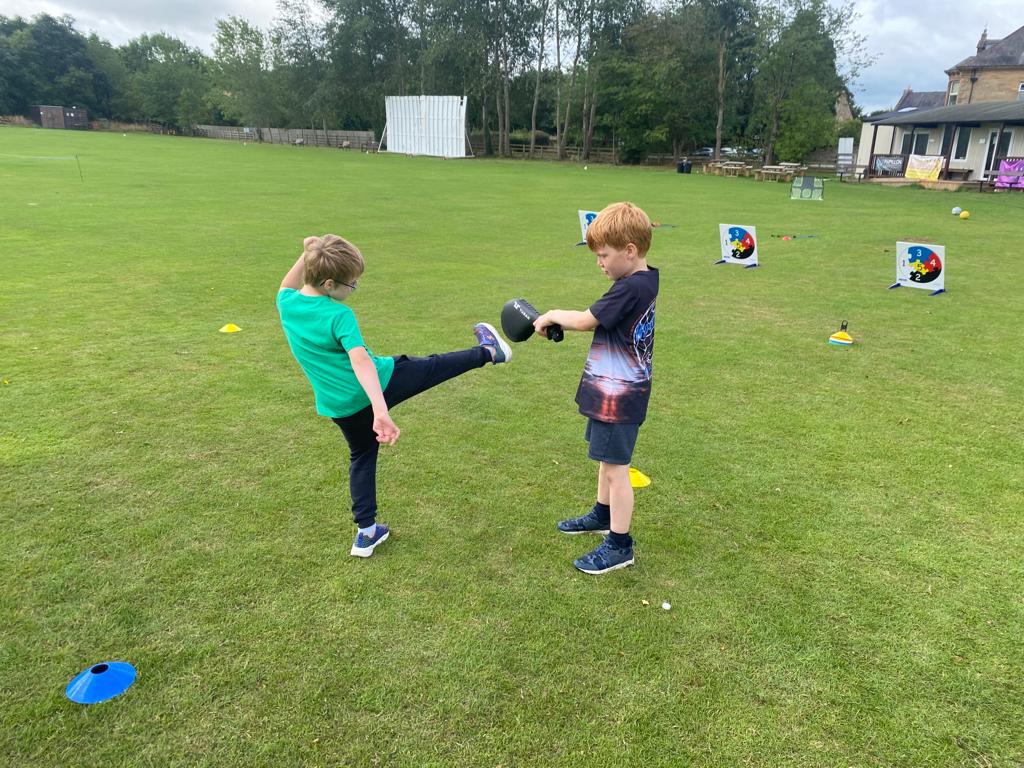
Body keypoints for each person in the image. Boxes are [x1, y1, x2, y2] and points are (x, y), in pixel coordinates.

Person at [277, 234, 511, 558]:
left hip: (338, 406)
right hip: (378, 384)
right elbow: (360, 360)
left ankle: (366, 533)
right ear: (329, 284)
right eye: (352, 283)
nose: (354, 288)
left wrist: (308, 252)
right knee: (432, 367)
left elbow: (285, 285)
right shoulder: (338, 315)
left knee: (361, 454)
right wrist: (380, 409)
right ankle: (490, 352)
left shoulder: (287, 304)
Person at [533, 202, 659, 574]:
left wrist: (552, 314)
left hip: (619, 395)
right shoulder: (644, 278)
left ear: (630, 251)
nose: (599, 263)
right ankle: (602, 515)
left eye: (604, 255)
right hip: (612, 389)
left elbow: (587, 320)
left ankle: (620, 545)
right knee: (606, 461)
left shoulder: (630, 287)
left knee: (617, 470)